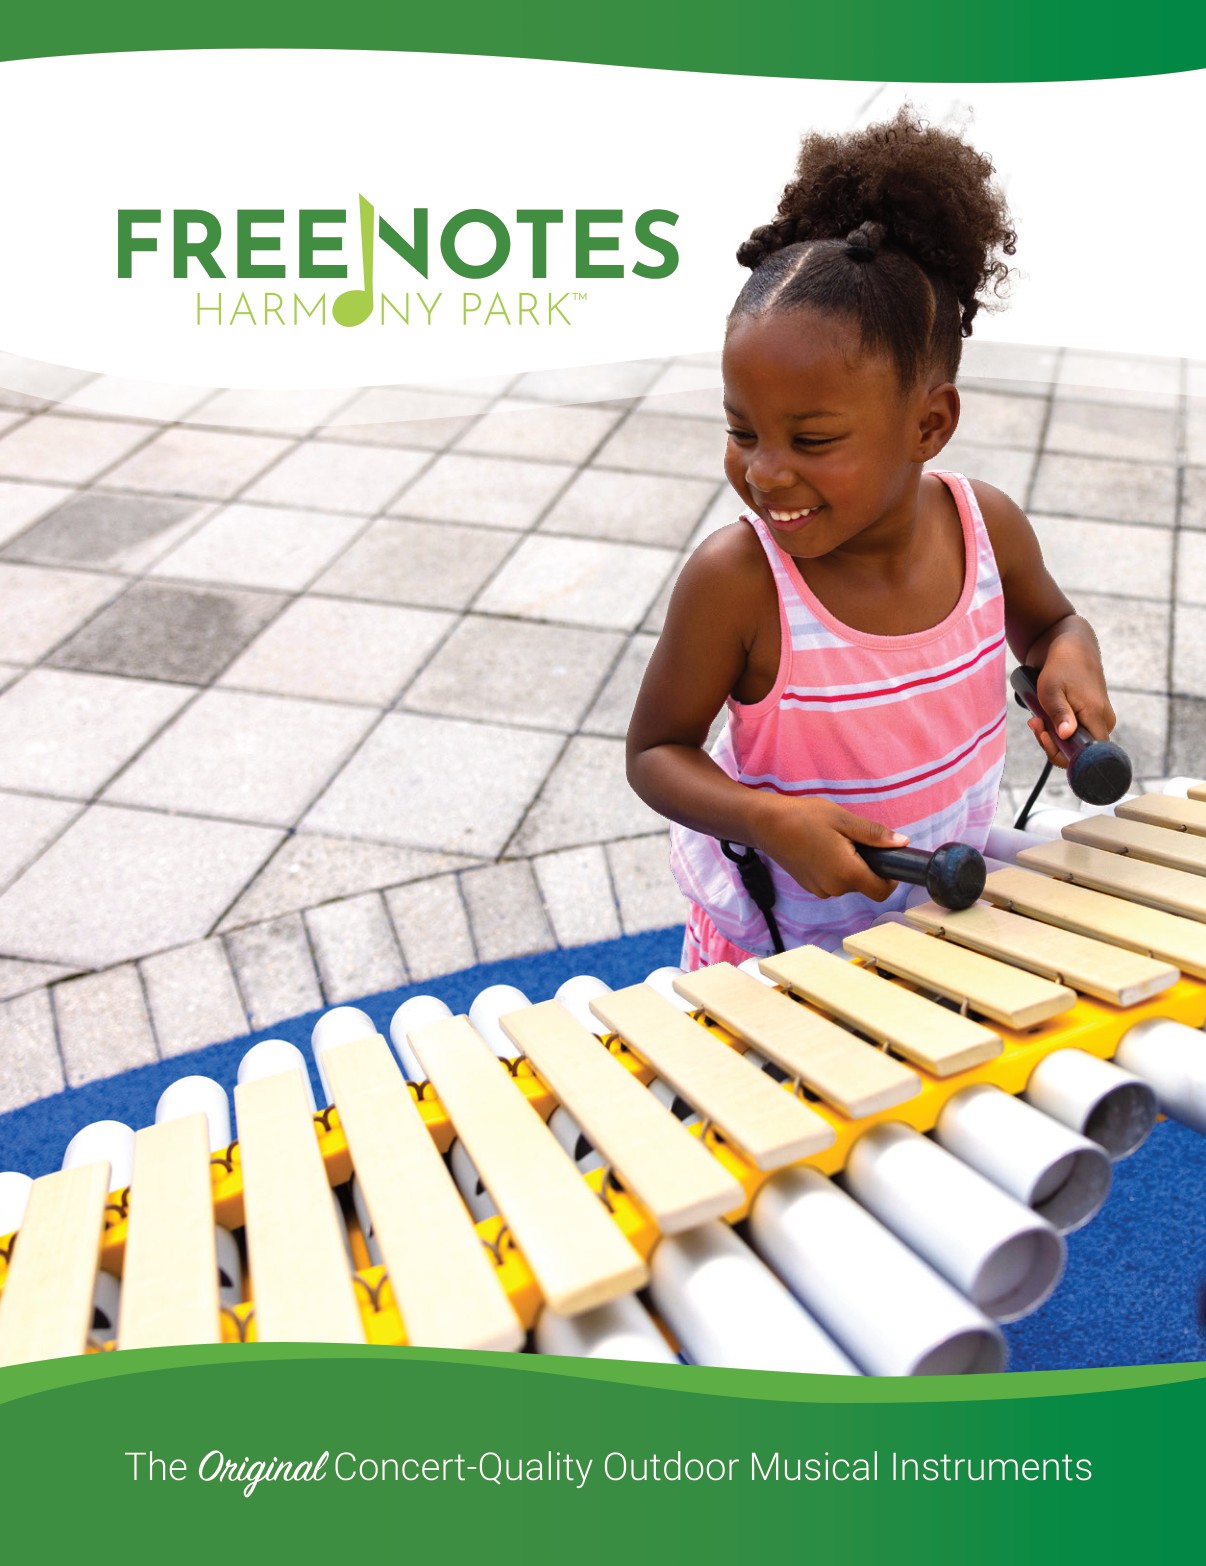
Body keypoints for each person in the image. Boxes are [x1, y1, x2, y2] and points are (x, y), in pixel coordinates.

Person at [627, 107, 1116, 969]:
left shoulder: (986, 528)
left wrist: (1070, 656)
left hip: (943, 929)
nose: (766, 472)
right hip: (785, 963)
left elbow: (1050, 626)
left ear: (929, 425)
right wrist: (766, 819)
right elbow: (656, 752)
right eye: (742, 431)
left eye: (812, 440)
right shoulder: (739, 581)